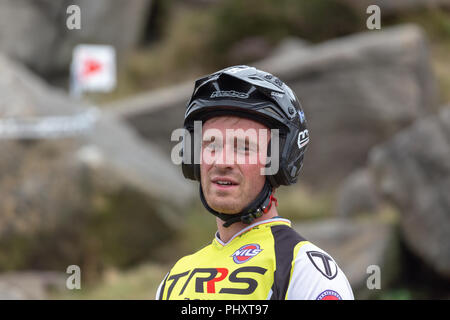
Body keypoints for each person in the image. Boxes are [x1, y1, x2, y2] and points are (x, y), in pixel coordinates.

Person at [156, 65, 354, 300]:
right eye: (211, 145)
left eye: (243, 147)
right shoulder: (175, 278)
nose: (222, 161)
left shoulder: (303, 270)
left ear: (279, 161)